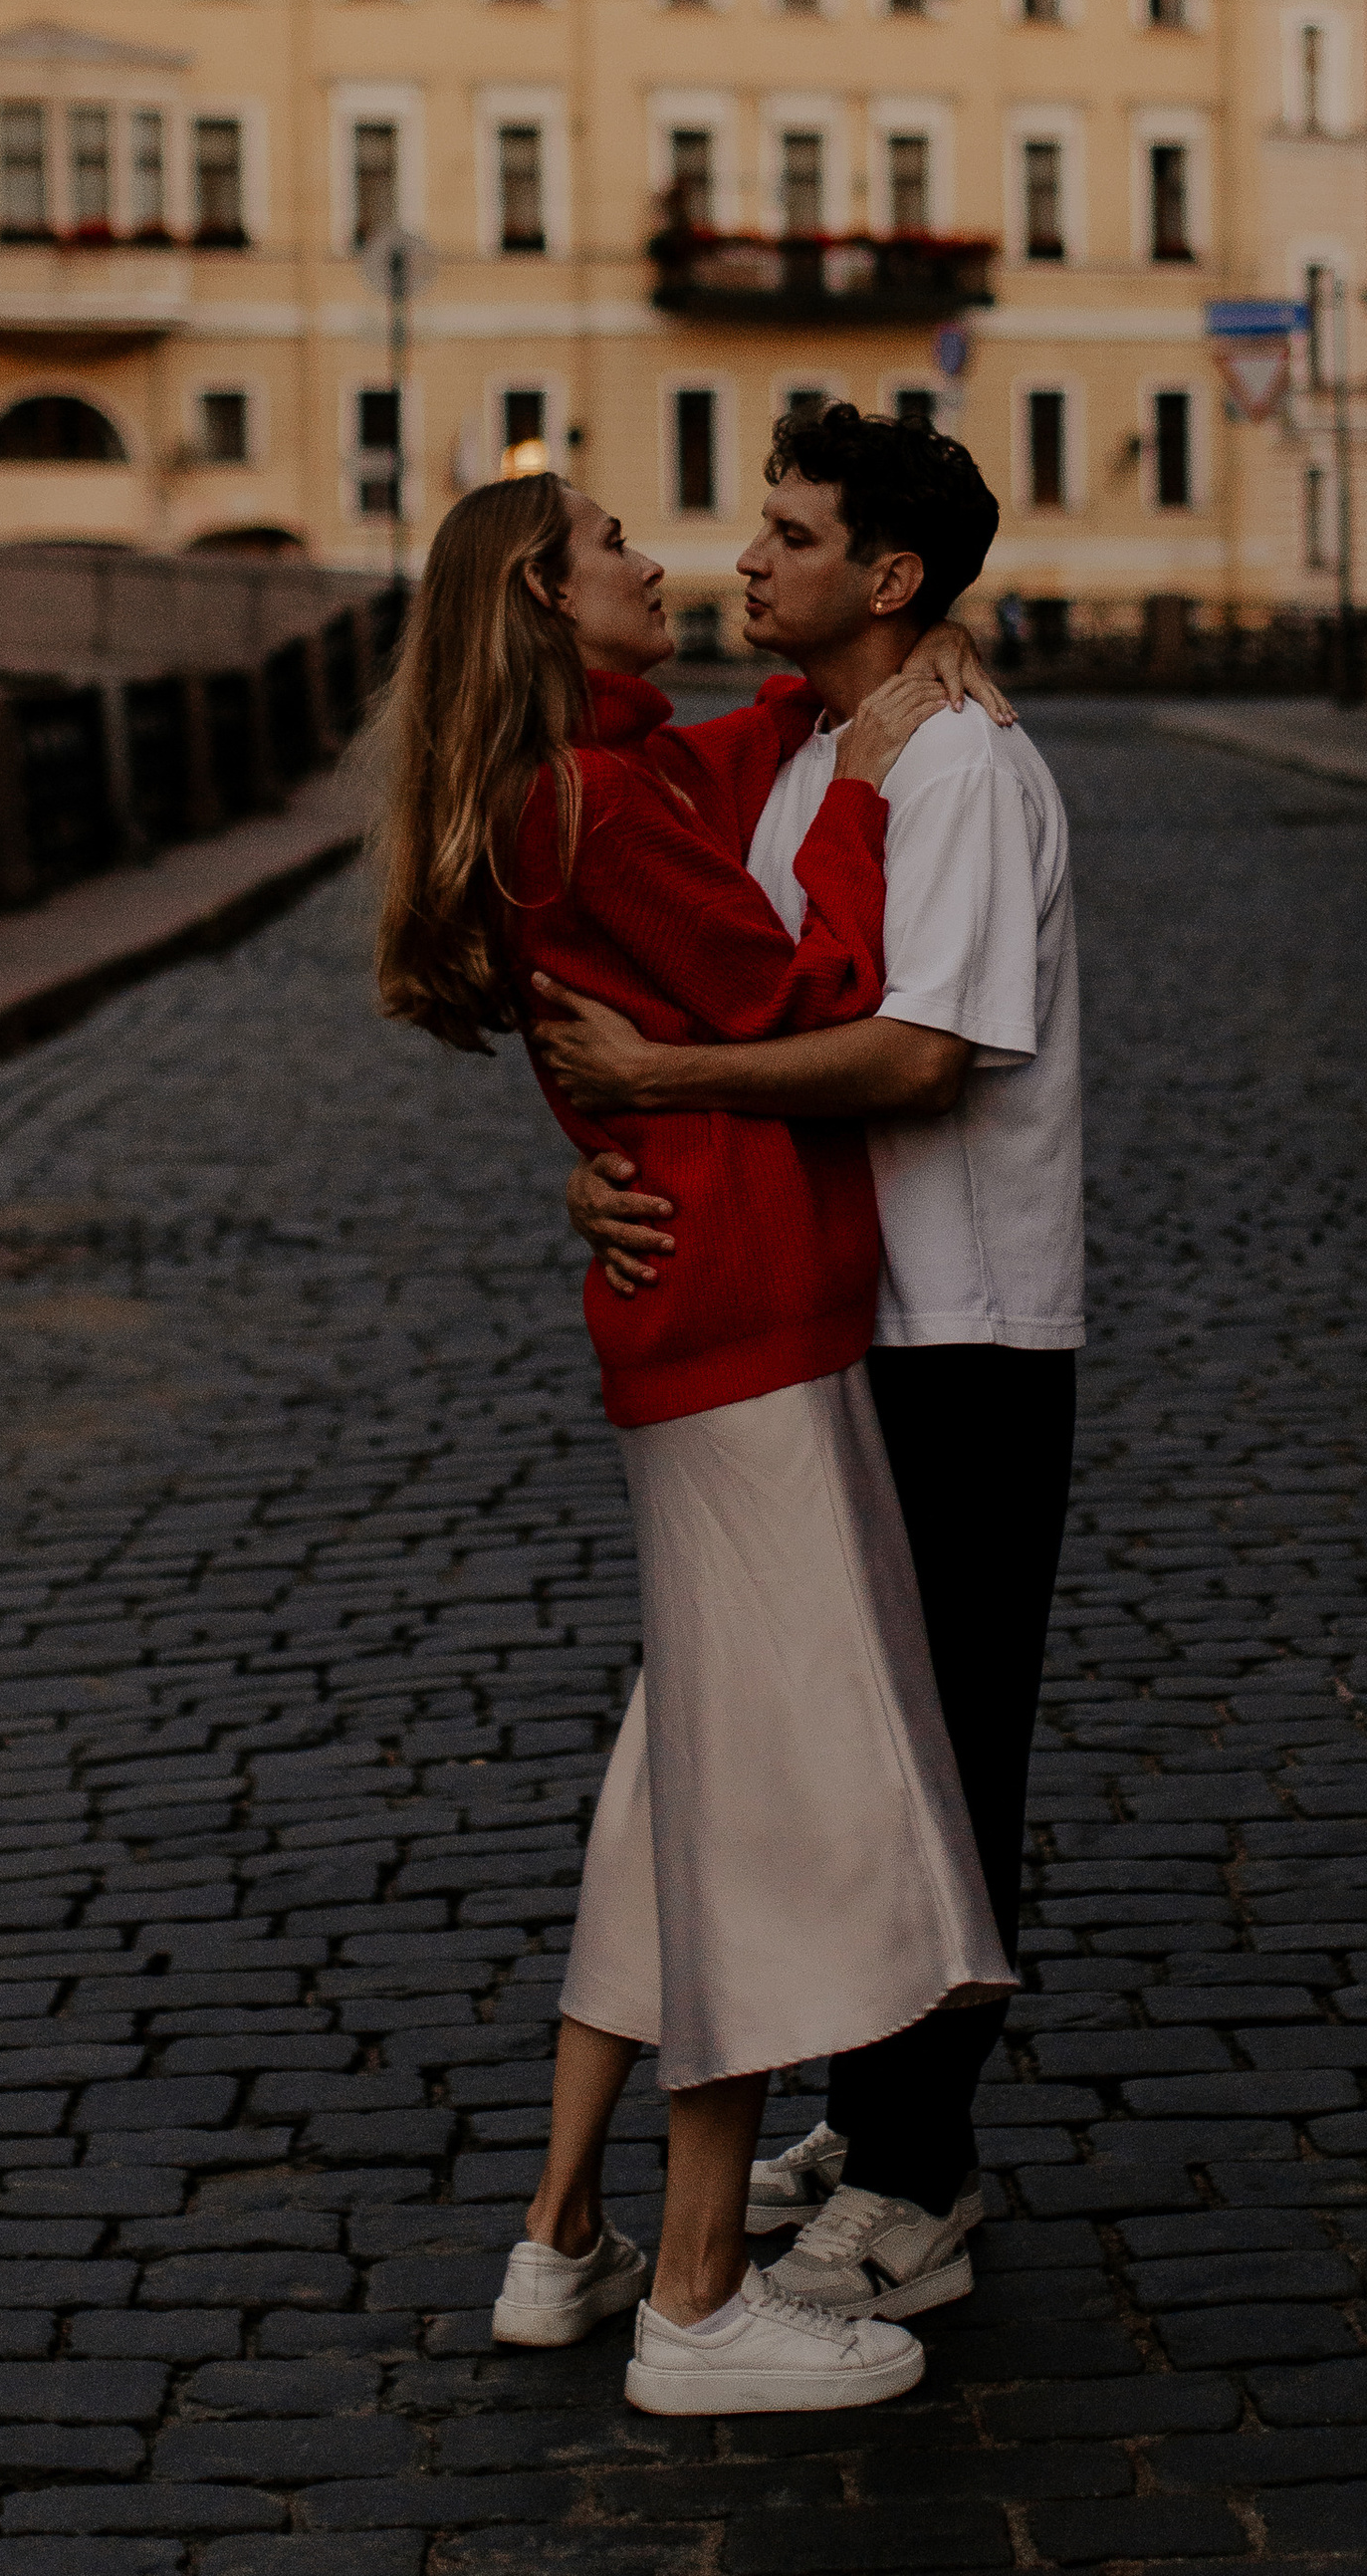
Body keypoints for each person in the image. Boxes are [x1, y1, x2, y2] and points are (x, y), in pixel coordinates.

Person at [372, 468, 1015, 2420]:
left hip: (696, 1317)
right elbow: (801, 992)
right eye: (615, 551)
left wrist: (845, 704)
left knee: (670, 1795)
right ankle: (697, 2300)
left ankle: (561, 2238)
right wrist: (867, 804)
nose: (662, 566)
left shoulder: (595, 770)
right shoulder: (596, 801)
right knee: (756, 1811)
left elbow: (728, 757)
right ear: (550, 611)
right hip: (745, 1317)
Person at [541, 401, 1082, 2326]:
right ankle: (874, 2120)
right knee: (856, 1742)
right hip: (838, 1317)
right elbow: (637, 943)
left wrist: (657, 1085)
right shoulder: (804, 749)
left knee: (946, 1750)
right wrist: (606, 1161)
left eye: (787, 534)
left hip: (966, 1326)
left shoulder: (956, 768)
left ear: (892, 578)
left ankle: (923, 2178)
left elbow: (920, 1055)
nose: (742, 559)